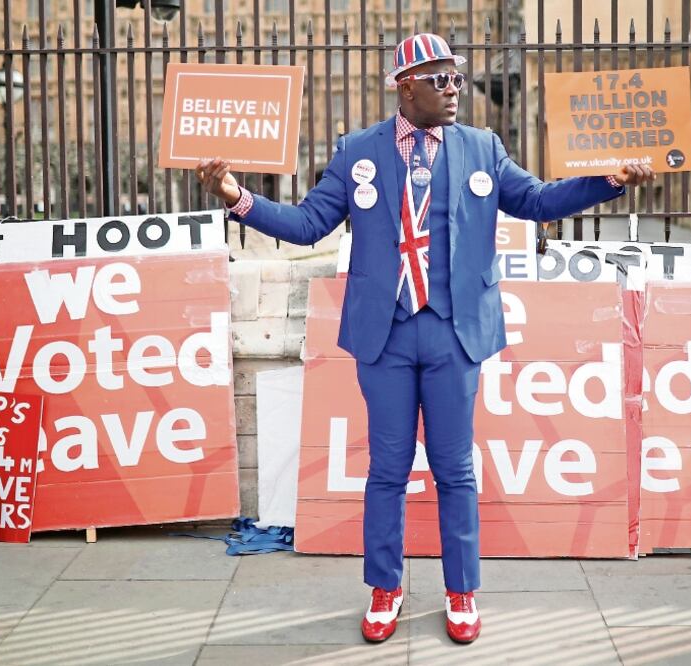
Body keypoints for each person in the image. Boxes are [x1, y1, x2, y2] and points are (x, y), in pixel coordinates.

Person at [196, 32, 654, 645]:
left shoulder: (482, 148)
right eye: (441, 79)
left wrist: (609, 180)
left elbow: (538, 200)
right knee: (386, 469)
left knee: (455, 468)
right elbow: (307, 224)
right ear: (406, 86)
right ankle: (384, 589)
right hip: (384, 335)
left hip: (454, 332)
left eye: (457, 77)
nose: (454, 88)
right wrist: (237, 197)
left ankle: (461, 592)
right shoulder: (359, 151)